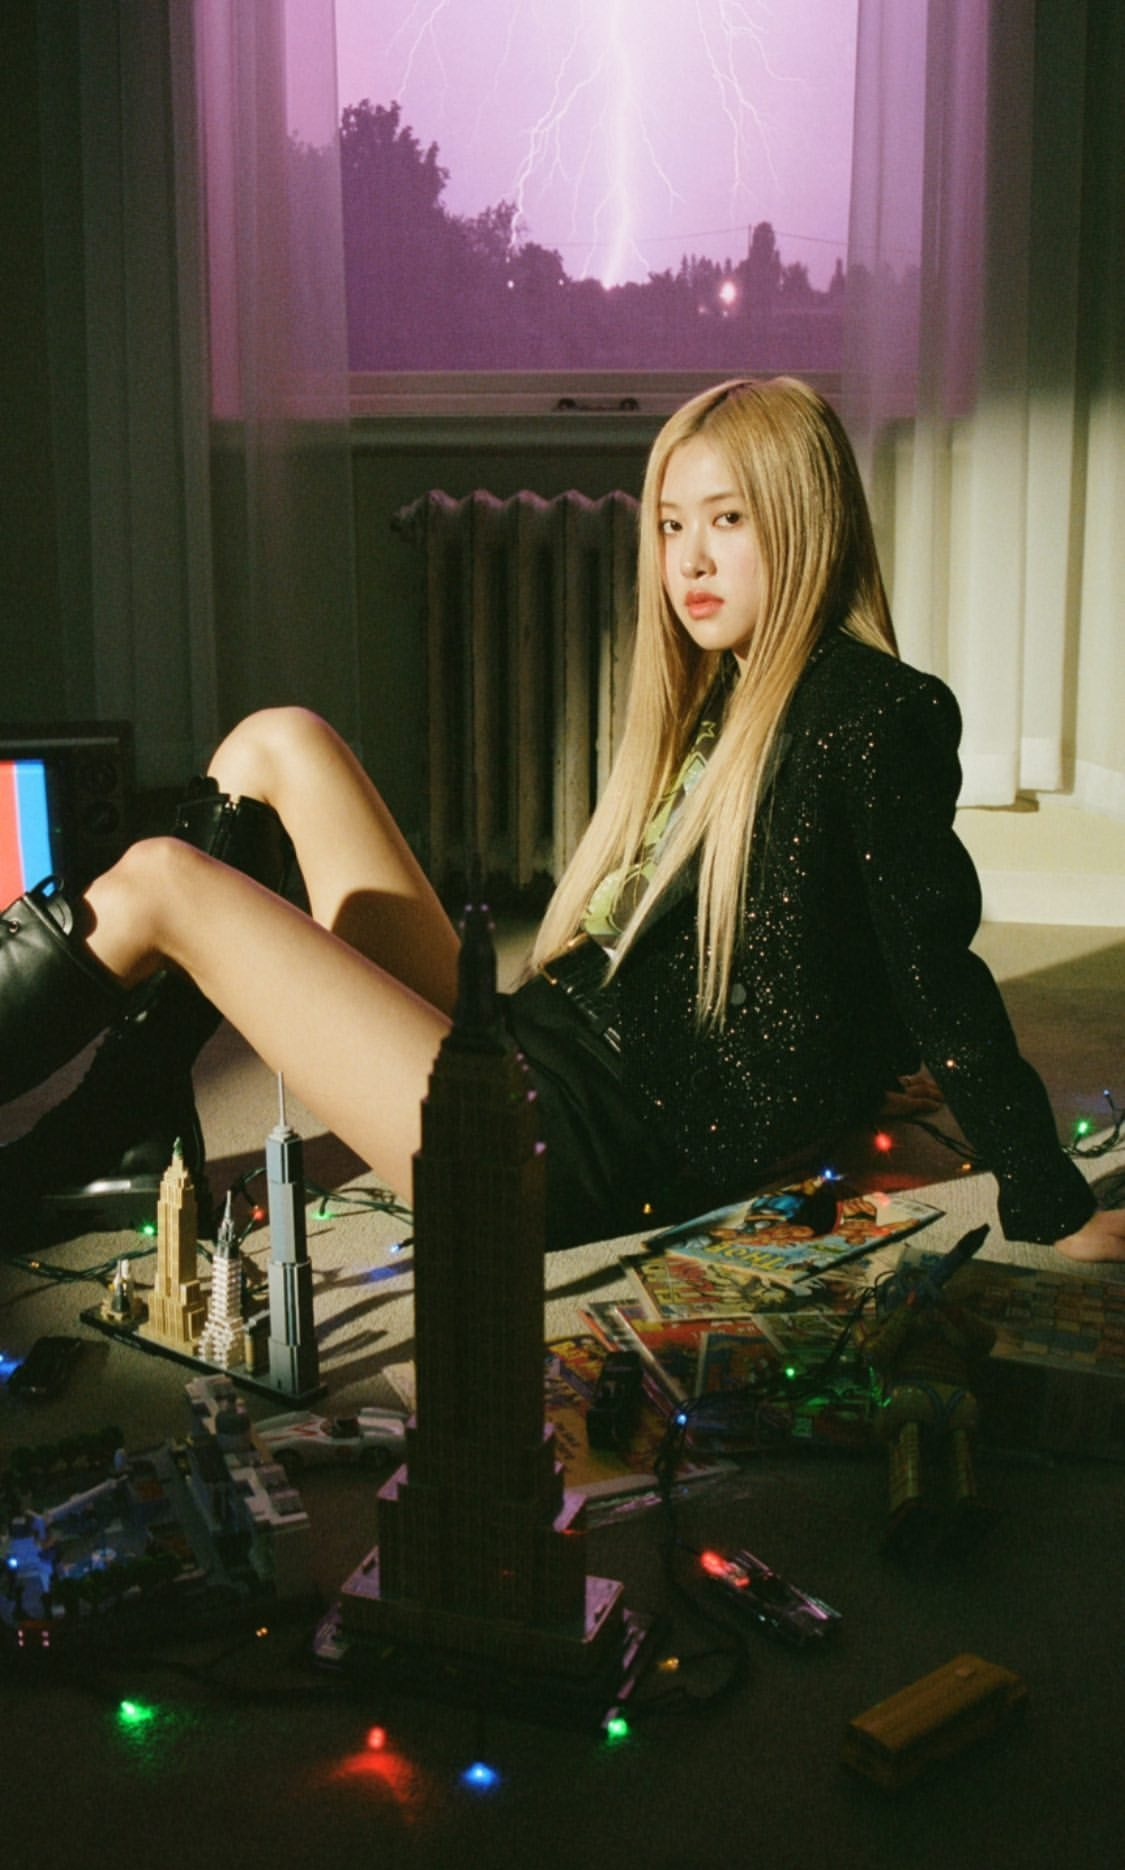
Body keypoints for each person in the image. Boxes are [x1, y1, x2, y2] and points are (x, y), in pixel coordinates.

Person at [0, 376, 1121, 1262]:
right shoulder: (728, 690)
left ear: (807, 520)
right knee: (276, 742)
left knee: (164, 881)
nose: (688, 558)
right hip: (536, 1046)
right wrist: (863, 1060)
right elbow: (815, 938)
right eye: (671, 524)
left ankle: (87, 1136)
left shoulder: (874, 710)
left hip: (561, 1146)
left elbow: (935, 968)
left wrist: (1045, 1195)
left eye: (728, 519)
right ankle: (135, 1119)